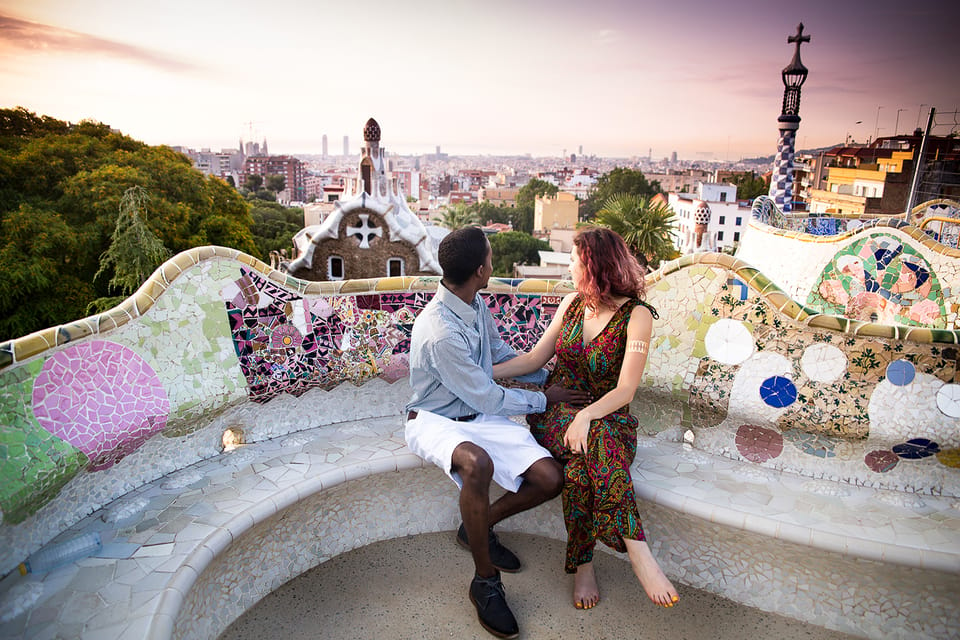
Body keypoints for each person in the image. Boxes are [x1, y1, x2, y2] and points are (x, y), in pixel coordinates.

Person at [405, 226, 590, 639]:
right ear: (479, 269)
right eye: (490, 257)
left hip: (476, 414)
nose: (493, 262)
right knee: (478, 464)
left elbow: (502, 355)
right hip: (435, 419)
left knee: (549, 478)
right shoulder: (441, 333)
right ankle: (484, 581)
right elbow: (489, 397)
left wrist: (547, 377)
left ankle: (476, 527)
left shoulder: (474, 303)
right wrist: (547, 399)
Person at [492, 226, 680, 611]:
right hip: (557, 414)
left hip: (609, 420)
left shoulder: (637, 316)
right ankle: (637, 549)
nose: (571, 268)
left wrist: (588, 417)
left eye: (576, 261)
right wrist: (482, 374)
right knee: (591, 445)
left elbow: (626, 390)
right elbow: (534, 358)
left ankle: (583, 566)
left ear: (595, 266)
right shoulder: (573, 305)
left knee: (579, 471)